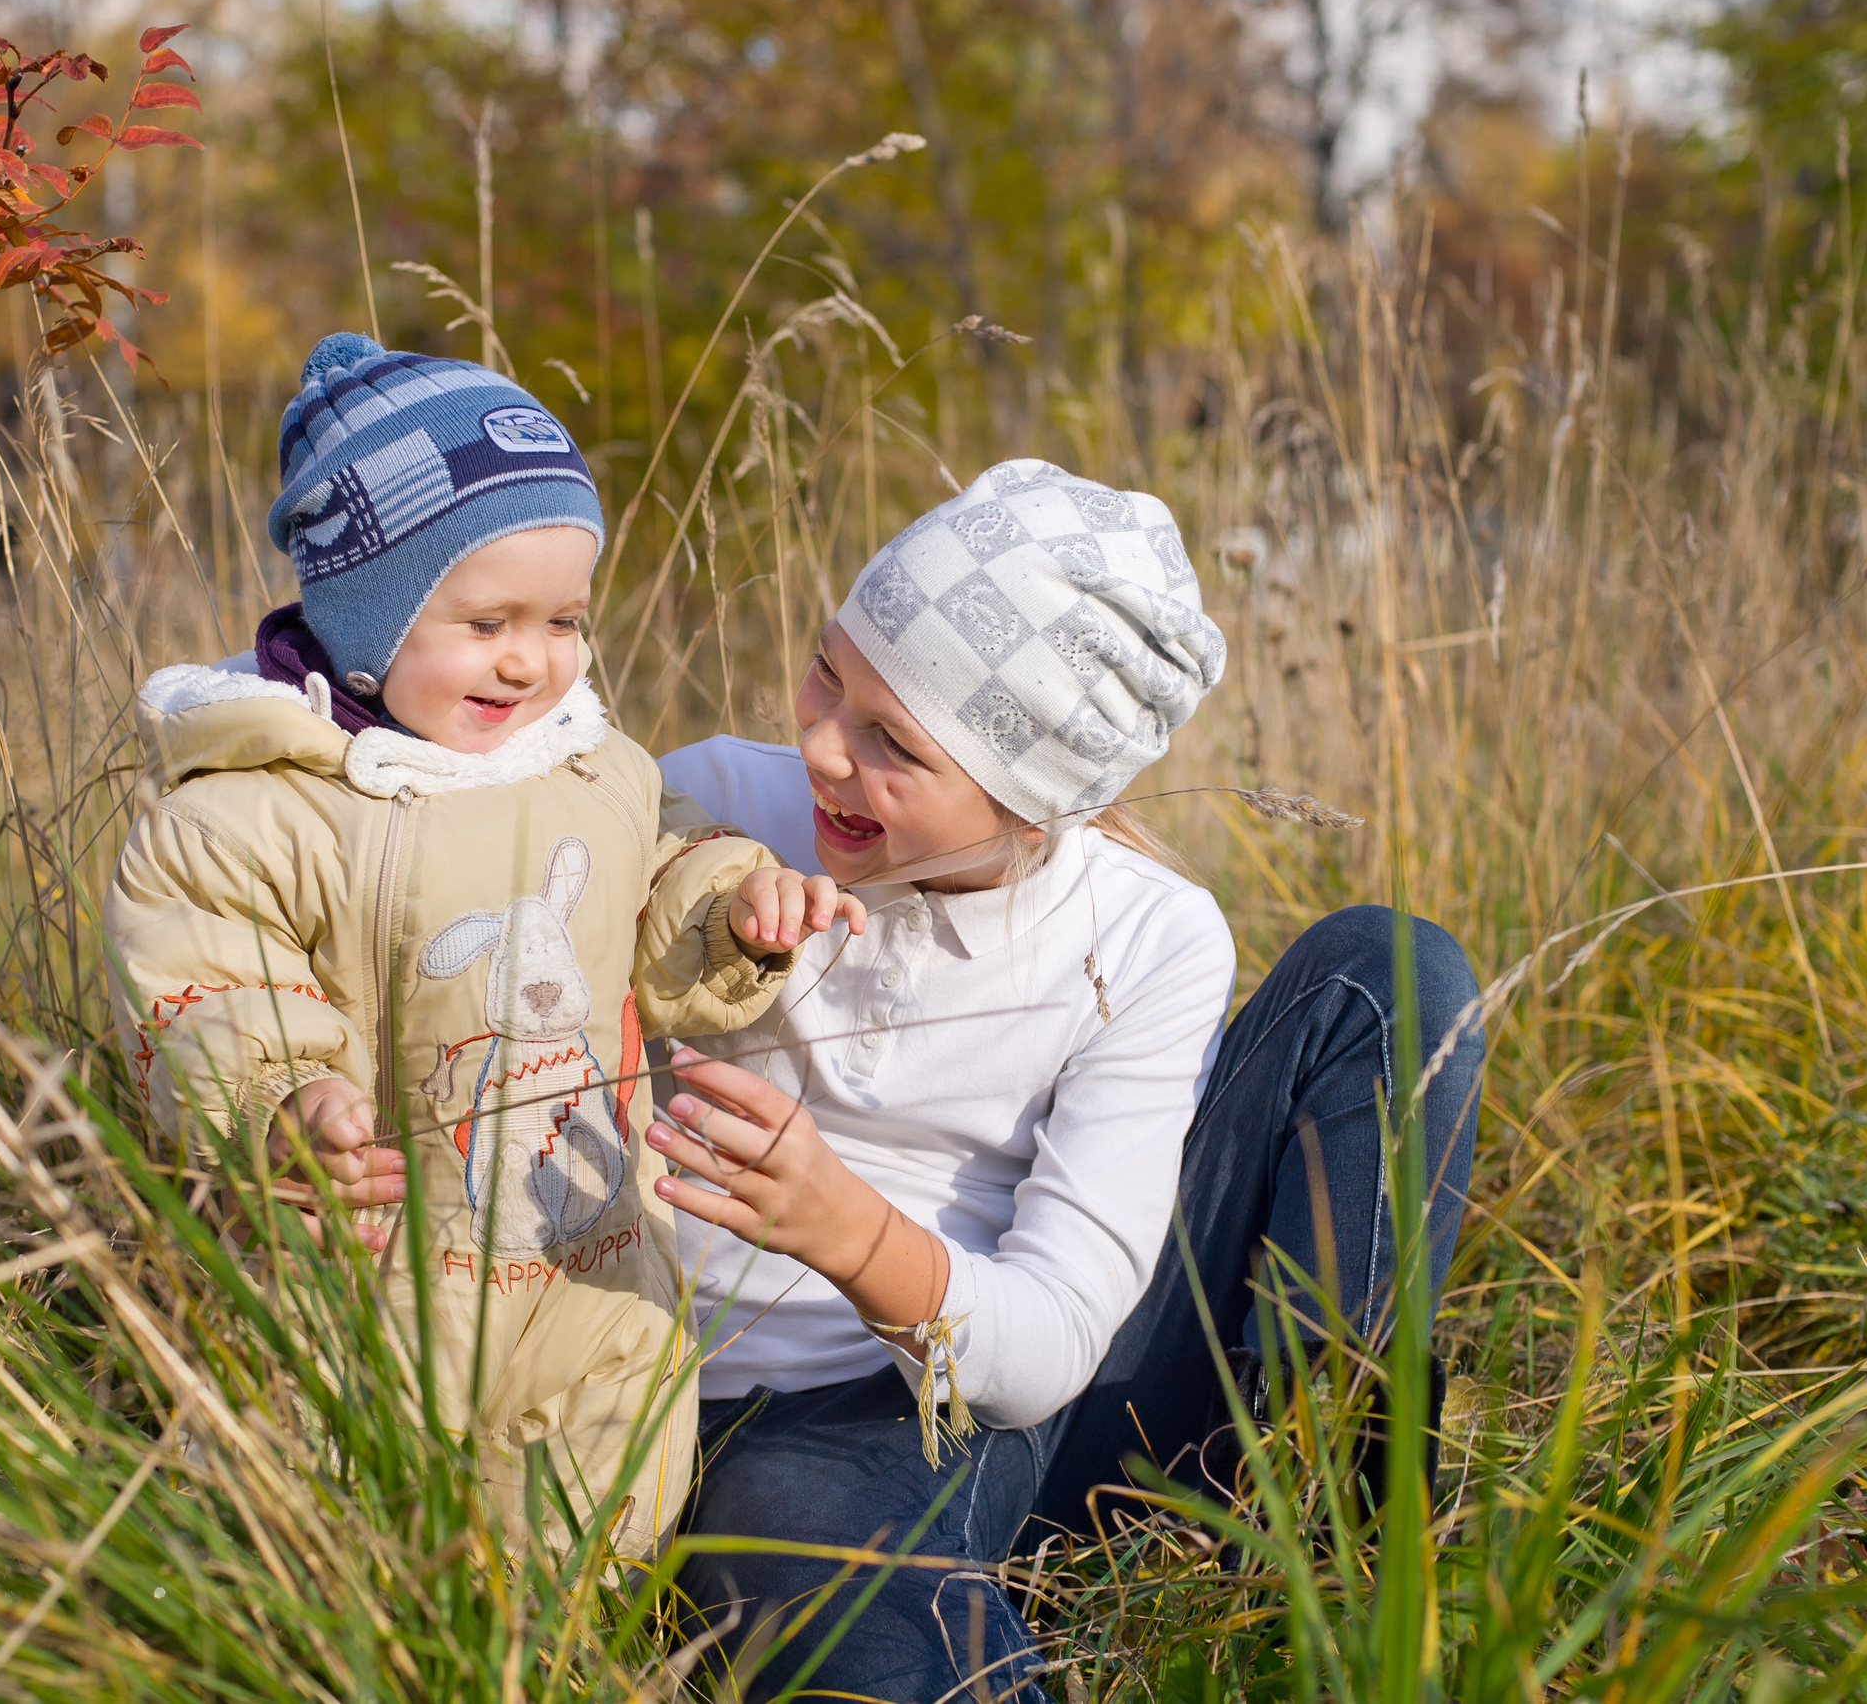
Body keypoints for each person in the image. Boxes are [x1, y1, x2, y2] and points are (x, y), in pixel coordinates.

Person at [651, 459, 1484, 1702]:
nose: (820, 745)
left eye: (893, 743)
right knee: (828, 1580)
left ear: (1032, 805)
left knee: (1389, 974)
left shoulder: (1146, 933)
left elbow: (1051, 1337)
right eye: (829, 671)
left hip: (1061, 1388)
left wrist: (848, 1232)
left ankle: (1332, 1513)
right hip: (793, 1427)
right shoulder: (712, 800)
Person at [102, 332, 861, 1553]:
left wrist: (732, 906)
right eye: (486, 618)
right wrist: (281, 1099)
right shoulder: (256, 807)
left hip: (592, 1258)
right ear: (366, 614)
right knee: (317, 1518)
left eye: (562, 618)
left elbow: (656, 875)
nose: (531, 657)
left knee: (607, 1462)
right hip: (357, 1277)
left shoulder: (594, 770)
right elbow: (199, 985)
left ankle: (527, 1650)